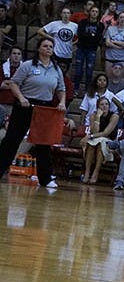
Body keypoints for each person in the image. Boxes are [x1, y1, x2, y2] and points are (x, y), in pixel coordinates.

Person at [0, 38, 67, 189]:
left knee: (43, 144)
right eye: (45, 46)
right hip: (25, 105)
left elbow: (61, 89)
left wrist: (62, 102)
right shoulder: (27, 65)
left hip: (44, 108)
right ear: (39, 48)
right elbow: (14, 83)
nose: (48, 48)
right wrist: (21, 98)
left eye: (51, 46)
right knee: (11, 140)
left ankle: (46, 179)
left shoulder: (56, 69)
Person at [81, 96, 119, 184]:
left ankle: (95, 173)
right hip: (95, 140)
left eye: (106, 104)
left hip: (110, 142)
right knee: (91, 144)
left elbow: (106, 133)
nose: (104, 106)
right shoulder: (93, 115)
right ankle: (87, 172)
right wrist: (98, 117)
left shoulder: (114, 116)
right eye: (102, 104)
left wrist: (90, 136)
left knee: (100, 143)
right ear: (98, 107)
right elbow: (95, 131)